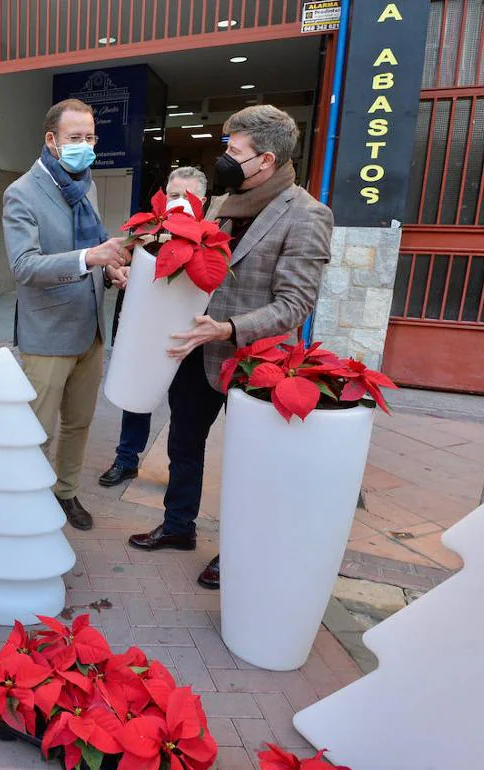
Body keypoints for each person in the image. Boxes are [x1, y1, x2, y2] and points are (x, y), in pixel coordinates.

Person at [126, 105, 334, 590]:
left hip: (253, 360)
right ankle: (178, 527)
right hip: (197, 351)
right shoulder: (221, 204)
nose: (223, 157)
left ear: (264, 160)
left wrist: (230, 328)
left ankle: (239, 549)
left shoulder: (307, 215)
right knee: (183, 444)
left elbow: (295, 303)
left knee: (249, 464)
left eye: (232, 150)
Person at [2, 98, 131, 531]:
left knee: (78, 423)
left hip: (90, 329)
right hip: (48, 333)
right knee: (38, 430)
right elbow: (23, 266)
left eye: (91, 137)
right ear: (51, 141)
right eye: (76, 138)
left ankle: (66, 493)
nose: (86, 146)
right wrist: (88, 257)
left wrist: (110, 265)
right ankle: (29, 499)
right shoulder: (21, 193)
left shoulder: (86, 184)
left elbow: (93, 244)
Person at [99, 166, 212, 488]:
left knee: (185, 406)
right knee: (138, 396)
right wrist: (118, 274)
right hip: (144, 330)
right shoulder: (146, 234)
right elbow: (119, 269)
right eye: (173, 196)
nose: (179, 203)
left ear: (202, 200)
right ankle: (126, 459)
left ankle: (179, 471)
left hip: (186, 336)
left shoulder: (210, 240)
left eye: (187, 197)